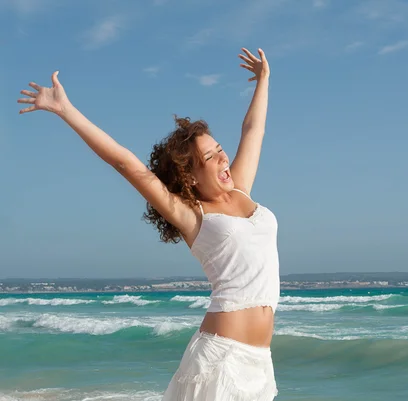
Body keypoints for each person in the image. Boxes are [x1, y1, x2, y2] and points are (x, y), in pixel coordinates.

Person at [18, 48, 280, 400]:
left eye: (220, 149)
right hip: (222, 360)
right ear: (189, 176)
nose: (223, 157)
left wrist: (263, 80)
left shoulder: (241, 191)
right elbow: (126, 164)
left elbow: (253, 130)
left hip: (260, 363)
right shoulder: (193, 216)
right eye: (210, 156)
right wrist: (66, 110)